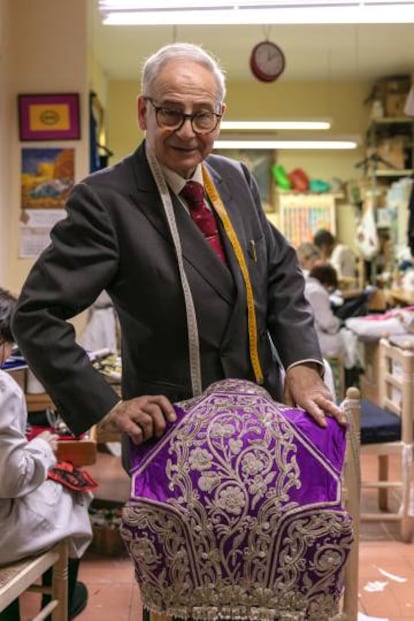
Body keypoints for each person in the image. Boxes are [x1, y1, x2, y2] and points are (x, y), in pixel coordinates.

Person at [11, 42, 345, 470]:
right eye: (171, 112)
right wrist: (106, 407)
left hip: (262, 422)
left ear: (219, 117)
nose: (188, 131)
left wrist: (301, 364)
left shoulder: (235, 179)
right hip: (173, 433)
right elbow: (36, 314)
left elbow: (280, 270)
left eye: (203, 115)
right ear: (143, 112)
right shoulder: (105, 201)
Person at [0, 287, 92, 621]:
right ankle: (63, 601)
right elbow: (12, 480)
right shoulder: (2, 387)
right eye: (7, 342)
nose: (9, 351)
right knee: (73, 487)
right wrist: (42, 448)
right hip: (2, 533)